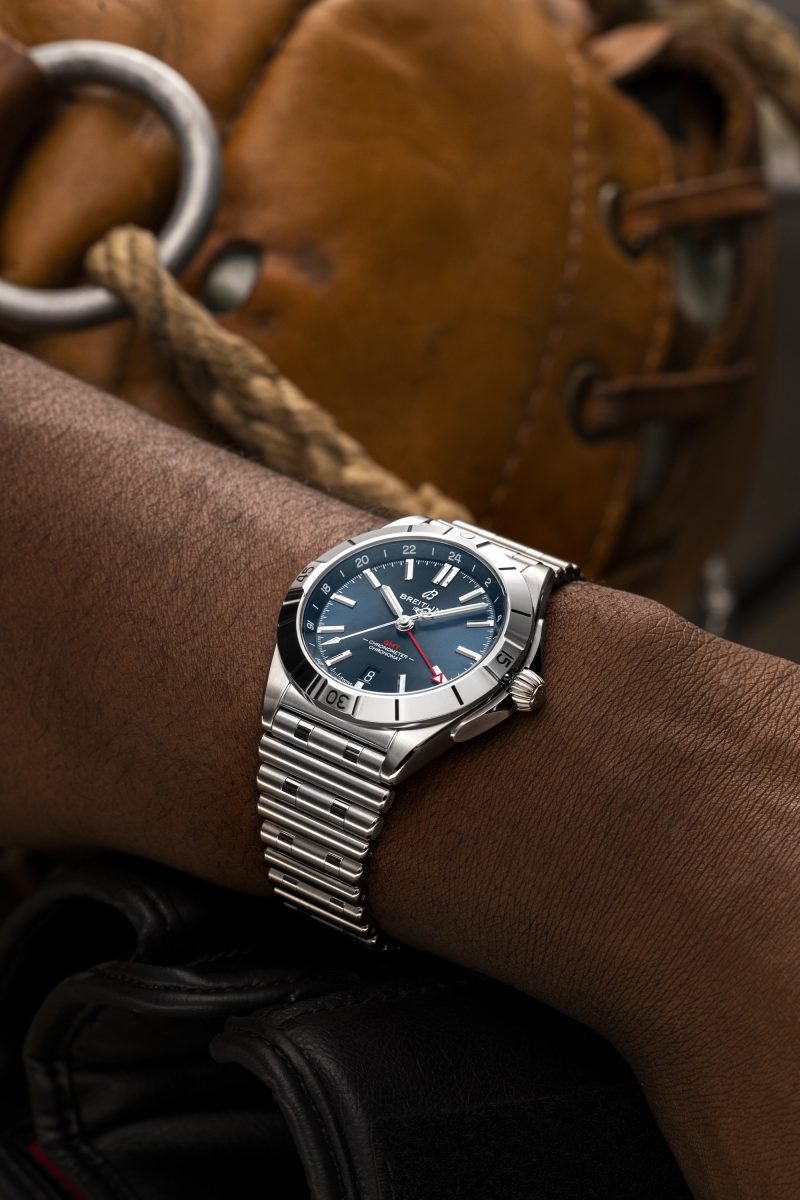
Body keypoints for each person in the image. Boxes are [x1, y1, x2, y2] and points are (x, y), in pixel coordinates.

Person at [1, 342, 798, 1199]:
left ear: (516, 688)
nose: (408, 628)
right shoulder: (376, 619)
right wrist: (663, 798)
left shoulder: (462, 656)